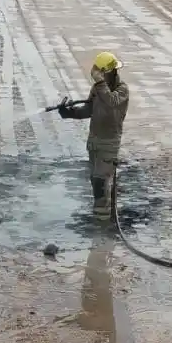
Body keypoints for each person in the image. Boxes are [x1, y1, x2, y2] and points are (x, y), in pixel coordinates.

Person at [58, 52, 130, 220]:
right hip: (94, 141)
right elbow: (89, 109)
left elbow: (111, 102)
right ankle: (102, 214)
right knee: (95, 179)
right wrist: (69, 113)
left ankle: (103, 224)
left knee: (101, 180)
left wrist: (99, 83)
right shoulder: (98, 89)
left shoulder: (122, 90)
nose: (96, 74)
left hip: (109, 142)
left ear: (109, 72)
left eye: (99, 72)